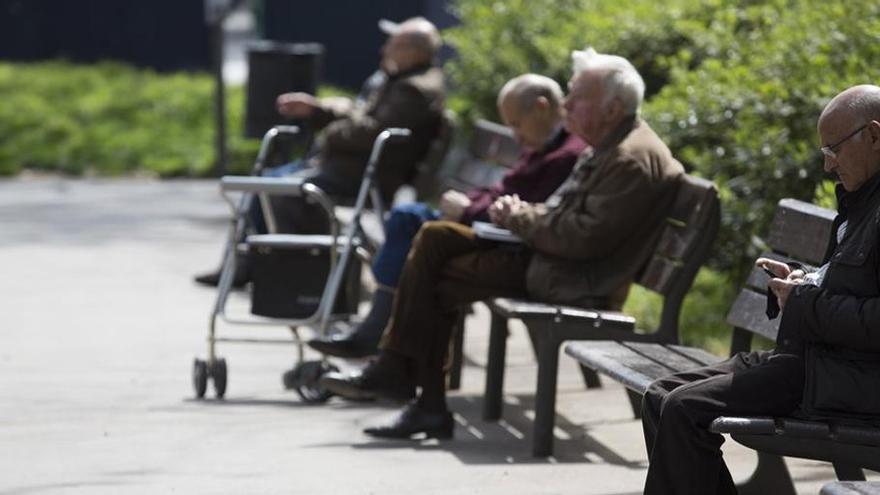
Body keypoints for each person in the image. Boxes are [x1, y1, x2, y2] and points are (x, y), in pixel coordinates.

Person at [320, 48, 685, 440]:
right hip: (556, 263)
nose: (566, 105)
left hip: (575, 278)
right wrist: (523, 212)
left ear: (612, 109)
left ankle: (407, 384)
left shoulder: (628, 158)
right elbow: (567, 219)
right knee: (434, 243)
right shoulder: (612, 143)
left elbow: (582, 239)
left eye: (576, 98)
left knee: (434, 255)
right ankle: (408, 386)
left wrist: (519, 215)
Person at [639, 84, 880, 495]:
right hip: (811, 360)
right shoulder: (861, 202)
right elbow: (851, 283)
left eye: (833, 149)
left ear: (874, 135)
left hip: (845, 378)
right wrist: (805, 280)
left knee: (684, 410)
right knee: (661, 396)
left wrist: (803, 301)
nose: (828, 165)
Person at [307, 73, 588, 359]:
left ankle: (382, 340)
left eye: (516, 124)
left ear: (541, 107)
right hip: (486, 229)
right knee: (409, 220)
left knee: (418, 232)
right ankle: (384, 341)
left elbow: (523, 210)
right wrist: (468, 204)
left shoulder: (564, 155)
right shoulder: (543, 145)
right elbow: (501, 191)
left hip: (505, 244)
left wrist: (466, 209)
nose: (515, 136)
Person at [195, 16, 445, 287]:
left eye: (392, 45)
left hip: (361, 175)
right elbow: (361, 114)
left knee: (271, 188)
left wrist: (330, 131)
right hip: (347, 167)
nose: (384, 50)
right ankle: (250, 265)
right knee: (263, 183)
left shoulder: (413, 89)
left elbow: (370, 131)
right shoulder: (400, 79)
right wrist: (319, 109)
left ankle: (281, 272)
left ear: (410, 51)